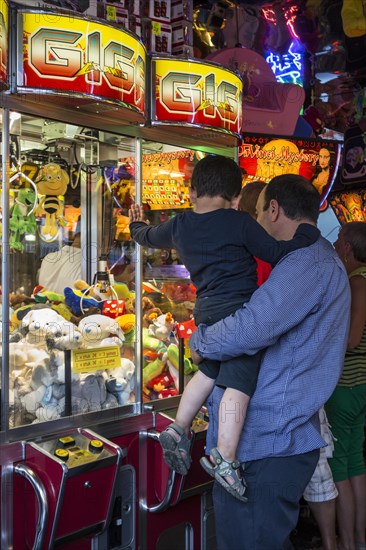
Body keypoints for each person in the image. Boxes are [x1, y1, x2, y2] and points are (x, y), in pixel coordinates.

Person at [129, 155, 319, 502]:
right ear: (235, 195)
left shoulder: (180, 224)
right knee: (239, 381)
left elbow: (147, 237)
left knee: (212, 370)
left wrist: (136, 224)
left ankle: (178, 425)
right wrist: (306, 232)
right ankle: (225, 457)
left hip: (206, 312)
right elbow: (278, 252)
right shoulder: (239, 223)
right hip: (239, 315)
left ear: (192, 189)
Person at [189, 174, 351, 549]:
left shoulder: (305, 264)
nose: (255, 222)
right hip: (276, 436)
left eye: (258, 212)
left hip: (268, 441)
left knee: (249, 540)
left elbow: (251, 328)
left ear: (274, 209)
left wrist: (201, 341)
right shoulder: (317, 259)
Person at [325, 221, 366, 550]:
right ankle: (359, 540)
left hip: (346, 385)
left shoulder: (356, 284)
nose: (336, 245)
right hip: (361, 386)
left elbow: (351, 340)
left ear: (349, 248)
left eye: (339, 240)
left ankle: (348, 542)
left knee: (340, 465)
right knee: (354, 461)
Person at [38, 231, 82, 295]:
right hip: (72, 304)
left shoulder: (47, 258)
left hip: (43, 303)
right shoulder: (88, 263)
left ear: (73, 237)